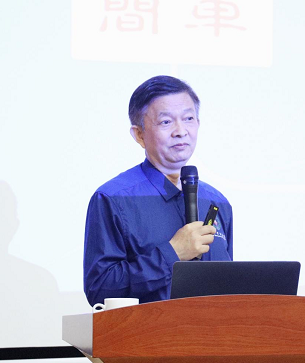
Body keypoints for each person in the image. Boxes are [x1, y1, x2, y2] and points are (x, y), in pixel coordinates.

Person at [83, 76, 233, 305]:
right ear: (139, 135)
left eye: (188, 118)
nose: (180, 131)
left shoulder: (217, 201)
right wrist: (172, 254)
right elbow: (99, 289)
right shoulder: (113, 198)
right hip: (149, 329)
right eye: (166, 122)